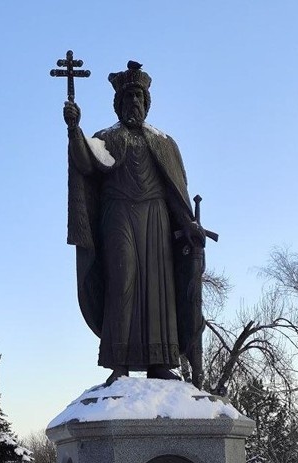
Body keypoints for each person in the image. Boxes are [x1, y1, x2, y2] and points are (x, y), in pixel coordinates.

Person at [64, 61, 205, 386]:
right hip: (119, 217)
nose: (134, 105)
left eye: (140, 100)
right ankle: (119, 362)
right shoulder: (107, 138)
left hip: (156, 220)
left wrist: (188, 223)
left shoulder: (164, 142)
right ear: (119, 105)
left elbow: (174, 191)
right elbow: (86, 162)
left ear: (147, 104)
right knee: (122, 280)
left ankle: (159, 362)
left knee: (159, 289)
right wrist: (74, 129)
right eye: (128, 100)